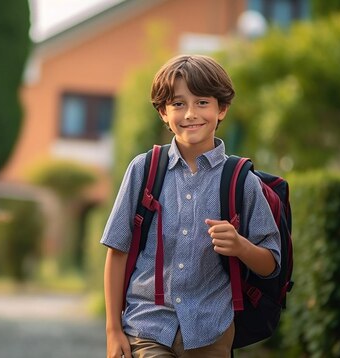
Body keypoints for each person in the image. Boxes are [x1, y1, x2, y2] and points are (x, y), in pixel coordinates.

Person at [101, 54, 281, 358]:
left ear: (221, 109)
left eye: (202, 102)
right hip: (146, 326)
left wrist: (240, 246)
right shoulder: (144, 170)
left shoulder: (241, 182)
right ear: (163, 112)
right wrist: (112, 330)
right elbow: (117, 251)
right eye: (178, 104)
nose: (190, 114)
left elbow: (271, 264)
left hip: (213, 331)